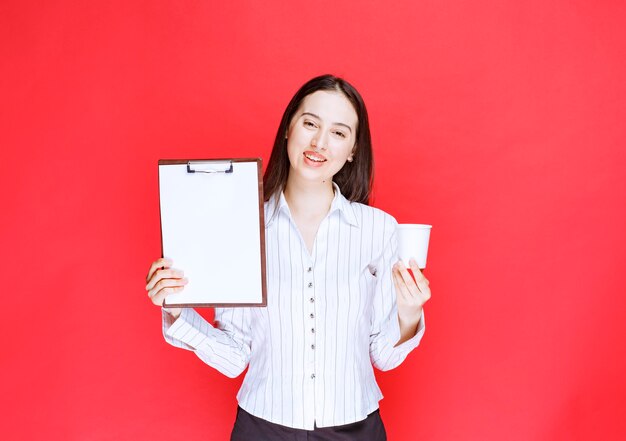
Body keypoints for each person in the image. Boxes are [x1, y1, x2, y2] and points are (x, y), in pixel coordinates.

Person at [145, 74, 431, 440]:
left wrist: (409, 312)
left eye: (338, 132)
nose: (319, 142)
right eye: (310, 123)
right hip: (262, 427)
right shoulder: (243, 226)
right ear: (288, 128)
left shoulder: (379, 230)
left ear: (354, 149)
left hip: (356, 428)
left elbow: (384, 355)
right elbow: (234, 357)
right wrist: (176, 309)